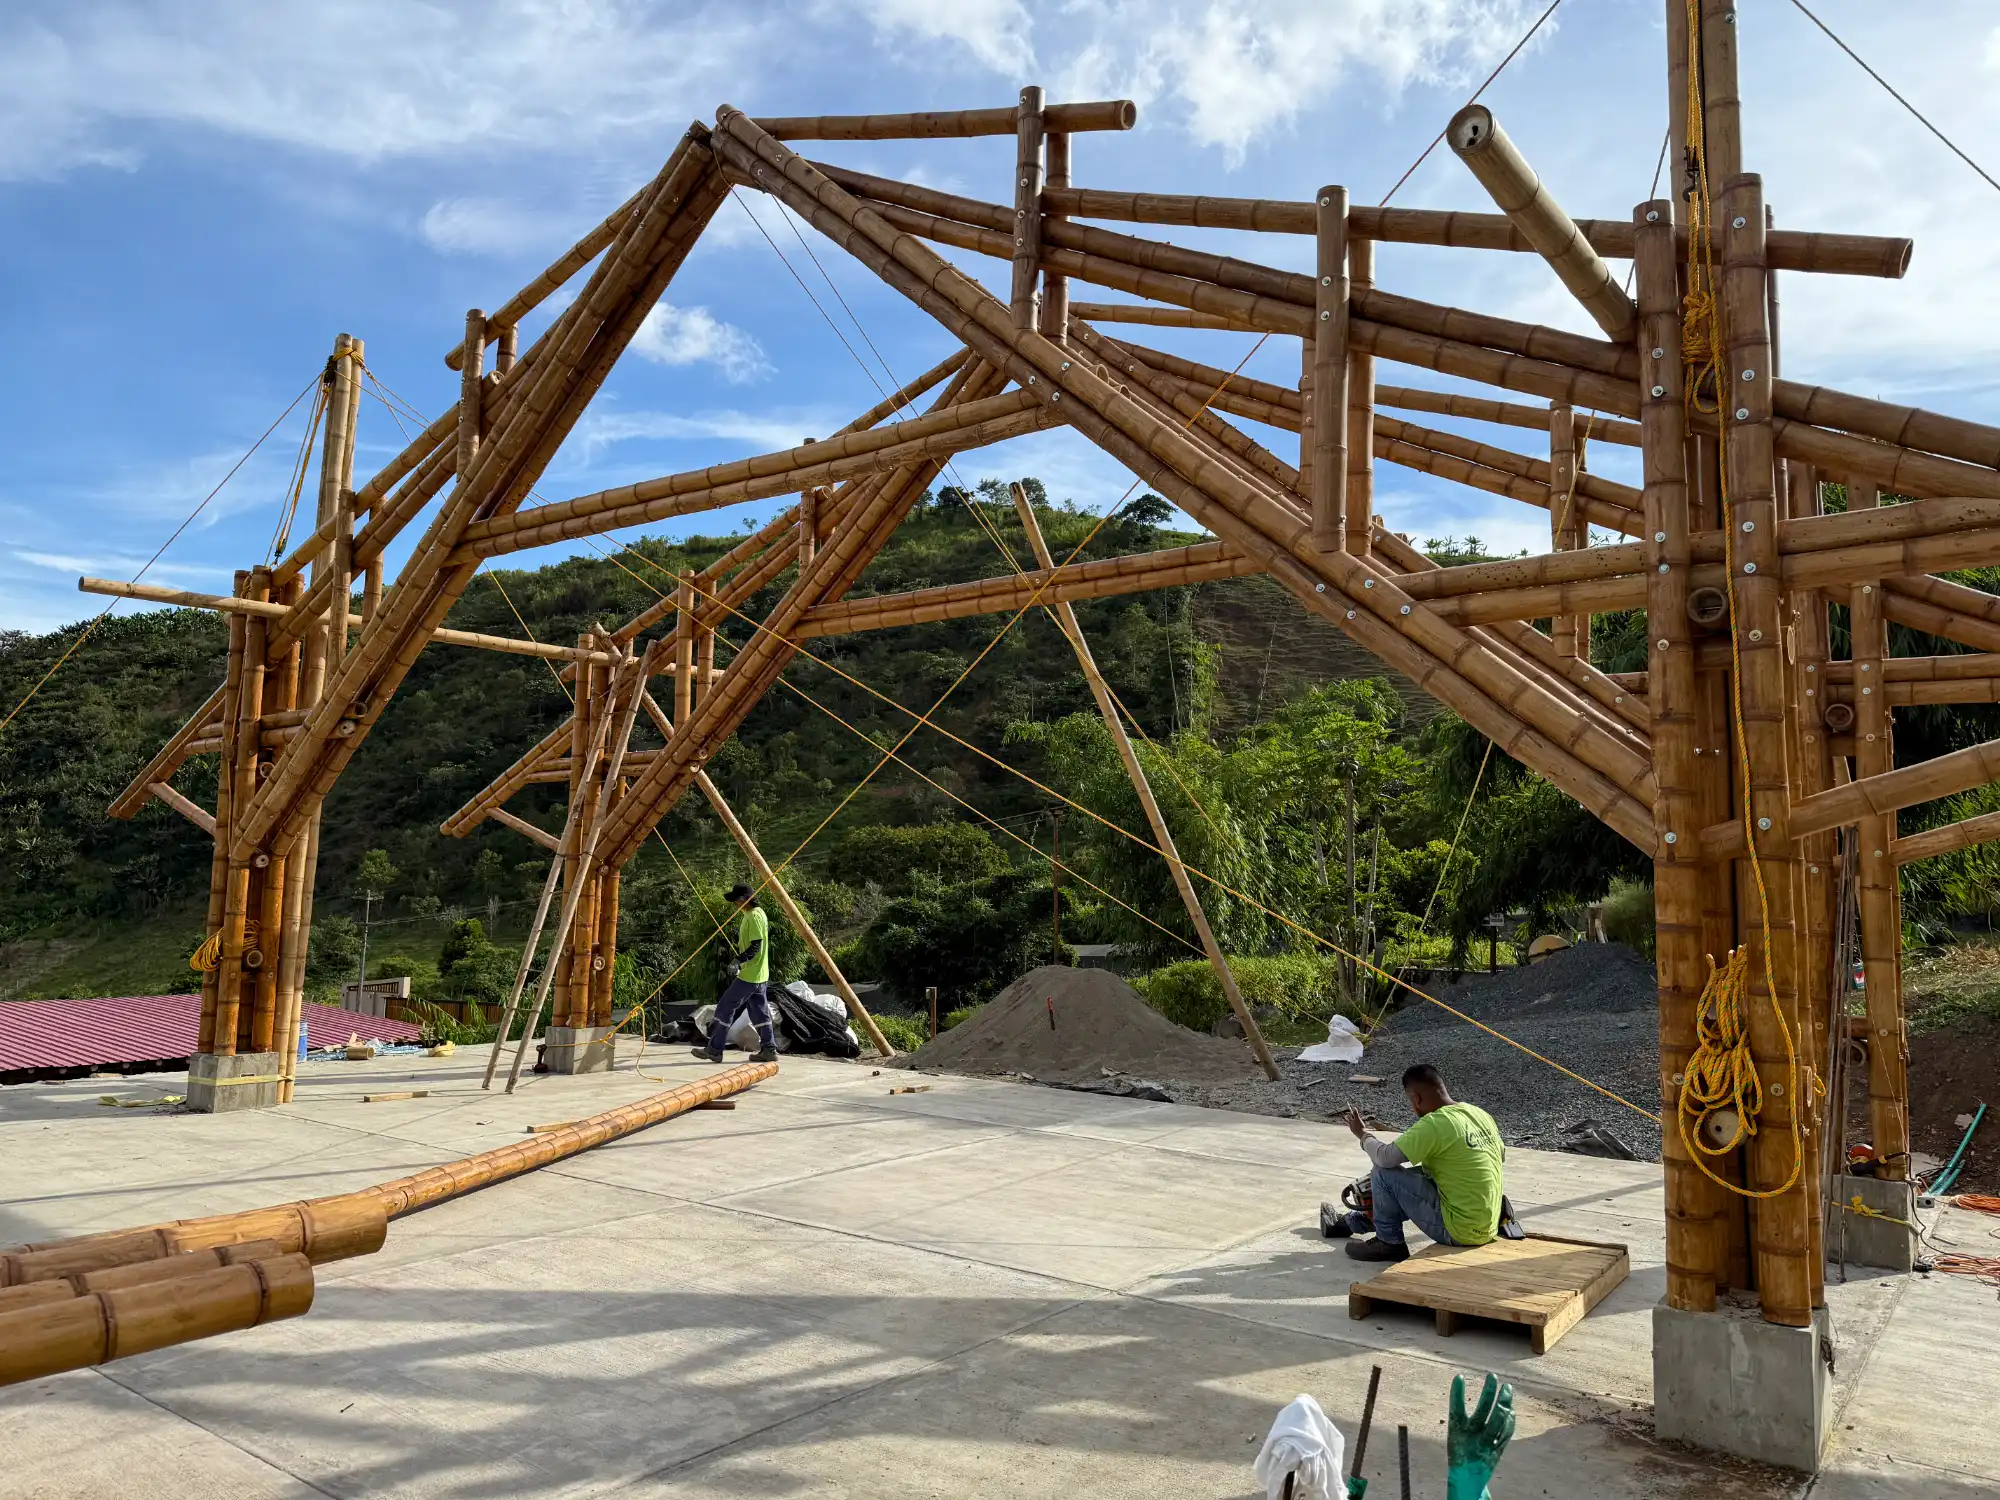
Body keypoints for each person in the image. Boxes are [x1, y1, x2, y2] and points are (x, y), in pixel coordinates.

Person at [1332, 1063, 1504, 1262]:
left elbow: (1385, 1157)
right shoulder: (1479, 1114)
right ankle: (1364, 1220)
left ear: (1416, 1099)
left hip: (1459, 1231)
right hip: (1488, 1226)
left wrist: (1362, 1134)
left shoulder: (1435, 1124)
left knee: (1382, 1173)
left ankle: (1388, 1243)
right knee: (1420, 1173)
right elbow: (1498, 1158)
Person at [691, 883, 779, 1064]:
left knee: (725, 1008)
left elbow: (756, 946)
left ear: (745, 899)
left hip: (749, 975)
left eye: (736, 900)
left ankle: (715, 1050)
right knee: (760, 1013)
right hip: (760, 975)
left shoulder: (754, 916)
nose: (735, 904)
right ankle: (769, 1049)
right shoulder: (757, 913)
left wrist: (738, 960)